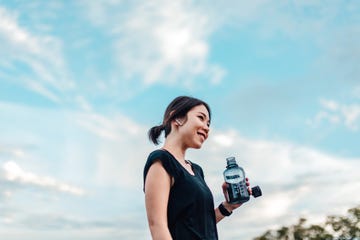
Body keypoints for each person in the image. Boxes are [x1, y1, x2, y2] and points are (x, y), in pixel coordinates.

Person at [143, 96, 252, 239]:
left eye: (208, 123)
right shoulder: (161, 161)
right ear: (177, 118)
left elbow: (199, 224)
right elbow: (157, 226)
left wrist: (228, 207)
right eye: (201, 118)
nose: (207, 128)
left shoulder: (197, 170)